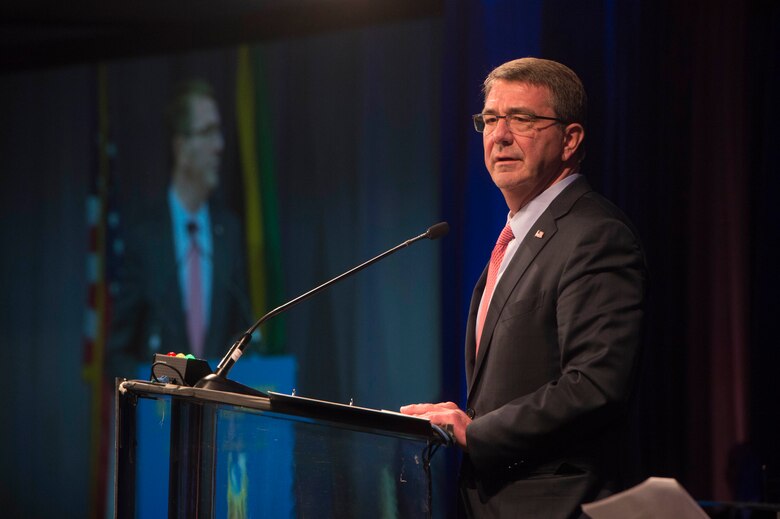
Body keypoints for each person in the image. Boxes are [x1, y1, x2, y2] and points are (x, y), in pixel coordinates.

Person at [401, 58, 647, 518]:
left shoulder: (595, 234)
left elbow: (595, 385)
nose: (500, 135)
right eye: (491, 119)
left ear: (571, 139)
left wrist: (476, 433)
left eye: (522, 119)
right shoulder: (517, 238)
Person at [107, 79, 253, 378]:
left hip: (217, 417)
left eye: (219, 132)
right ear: (181, 146)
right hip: (161, 416)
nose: (220, 146)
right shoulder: (145, 236)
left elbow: (243, 331)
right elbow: (118, 350)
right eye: (208, 132)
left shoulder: (230, 232)